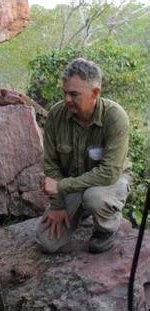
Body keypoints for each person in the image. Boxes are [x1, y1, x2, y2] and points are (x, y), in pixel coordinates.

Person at [36, 58, 131, 254]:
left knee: (94, 197)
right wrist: (58, 204)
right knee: (47, 243)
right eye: (65, 93)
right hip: (74, 184)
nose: (67, 99)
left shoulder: (114, 117)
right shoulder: (57, 115)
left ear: (95, 93)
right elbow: (51, 165)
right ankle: (81, 212)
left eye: (74, 94)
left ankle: (107, 228)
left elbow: (108, 173)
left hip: (108, 183)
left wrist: (61, 186)